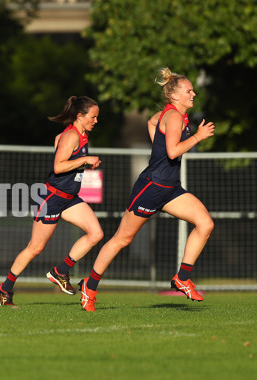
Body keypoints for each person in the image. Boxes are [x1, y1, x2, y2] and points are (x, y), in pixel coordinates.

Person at [78, 67, 215, 312]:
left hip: (170, 189)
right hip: (151, 187)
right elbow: (173, 151)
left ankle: (182, 278)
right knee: (122, 239)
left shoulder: (177, 115)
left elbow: (153, 123)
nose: (193, 94)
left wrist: (158, 147)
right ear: (174, 96)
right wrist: (198, 137)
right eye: (189, 90)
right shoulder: (173, 117)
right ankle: (90, 285)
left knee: (205, 223)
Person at [0, 96, 103, 306]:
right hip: (52, 198)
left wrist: (81, 163)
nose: (96, 121)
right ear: (80, 116)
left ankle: (60, 272)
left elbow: (62, 152)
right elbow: (58, 167)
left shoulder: (79, 134)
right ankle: (4, 289)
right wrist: (84, 160)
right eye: (93, 117)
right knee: (35, 247)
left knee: (96, 233)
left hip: (69, 198)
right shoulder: (71, 135)